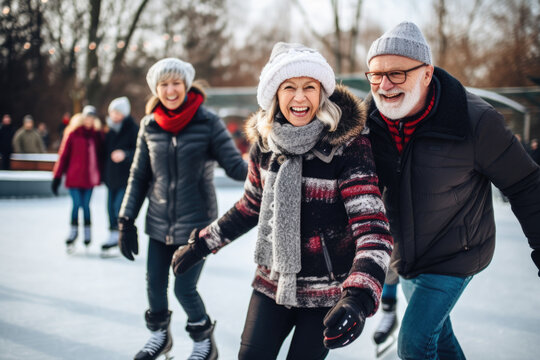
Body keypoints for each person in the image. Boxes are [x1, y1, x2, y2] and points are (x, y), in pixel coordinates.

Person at [171, 42, 394, 360]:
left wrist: (358, 294)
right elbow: (251, 206)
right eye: (289, 87)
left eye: (309, 87)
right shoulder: (265, 144)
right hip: (271, 283)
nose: (300, 97)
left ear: (322, 93)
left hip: (327, 292)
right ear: (275, 94)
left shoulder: (348, 146)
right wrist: (202, 243)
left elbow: (372, 228)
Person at [364, 21, 540, 360]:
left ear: (427, 73)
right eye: (376, 75)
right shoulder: (368, 120)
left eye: (397, 74)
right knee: (439, 339)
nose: (384, 85)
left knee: (414, 343)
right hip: (404, 255)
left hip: (456, 253)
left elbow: (526, 185)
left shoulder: (475, 121)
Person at [117, 57, 248, 360]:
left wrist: (265, 168)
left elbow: (234, 166)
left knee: (184, 289)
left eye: (176, 83)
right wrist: (126, 220)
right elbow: (138, 176)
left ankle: (204, 342)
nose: (171, 90)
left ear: (186, 85)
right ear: (156, 88)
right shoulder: (149, 125)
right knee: (154, 287)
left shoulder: (207, 122)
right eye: (164, 84)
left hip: (196, 225)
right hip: (159, 221)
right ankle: (159, 337)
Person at [51, 106, 104, 253]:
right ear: (82, 118)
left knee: (86, 206)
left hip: (89, 178)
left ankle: (87, 233)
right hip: (74, 177)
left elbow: (102, 156)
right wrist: (57, 176)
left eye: (92, 118)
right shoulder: (73, 134)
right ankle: (73, 233)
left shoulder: (96, 136)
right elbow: (63, 156)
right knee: (76, 204)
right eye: (87, 117)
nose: (89, 121)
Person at [100, 96, 138, 254]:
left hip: (125, 177)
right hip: (111, 178)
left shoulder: (133, 129)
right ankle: (112, 235)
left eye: (117, 112)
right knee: (109, 208)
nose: (114, 115)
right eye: (112, 112)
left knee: (119, 208)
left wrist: (125, 155)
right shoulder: (109, 130)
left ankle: (120, 237)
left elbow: (139, 151)